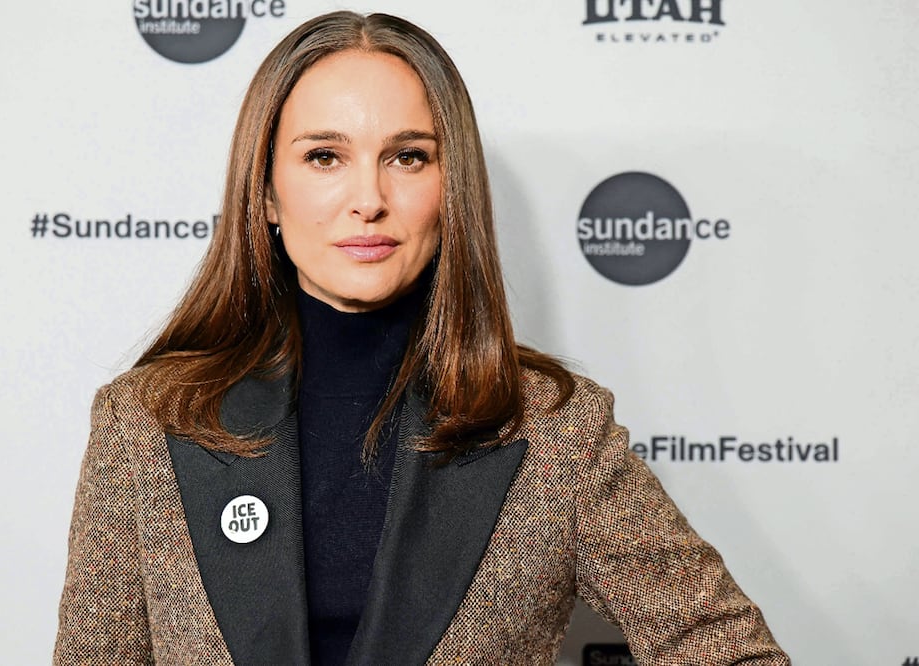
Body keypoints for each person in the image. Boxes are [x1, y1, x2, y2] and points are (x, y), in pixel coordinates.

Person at [54, 10, 790, 666]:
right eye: (324, 157)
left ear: (452, 185)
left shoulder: (556, 431)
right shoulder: (145, 423)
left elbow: (725, 648)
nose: (368, 200)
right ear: (268, 193)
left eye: (408, 157)